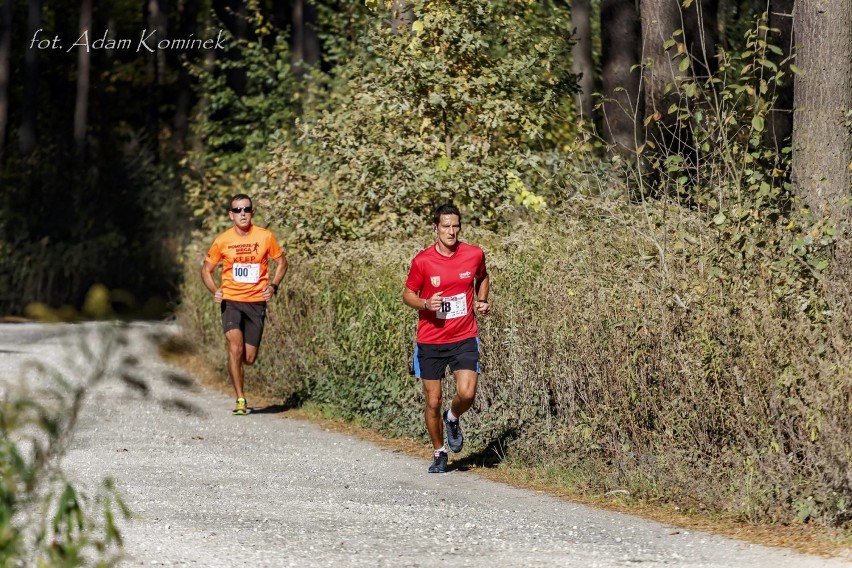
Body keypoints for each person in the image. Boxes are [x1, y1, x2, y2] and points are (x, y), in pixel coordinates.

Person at [402, 203, 490, 473]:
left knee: (467, 392)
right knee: (432, 401)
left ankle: (452, 418)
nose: (451, 232)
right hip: (430, 340)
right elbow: (407, 295)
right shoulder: (423, 261)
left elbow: (483, 277)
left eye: (455, 226)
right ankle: (439, 452)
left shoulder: (473, 254)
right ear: (435, 228)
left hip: (464, 335)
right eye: (446, 226)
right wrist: (427, 304)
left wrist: (483, 300)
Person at [201, 194, 287, 415]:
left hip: (256, 302)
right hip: (231, 300)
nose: (242, 214)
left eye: (246, 209)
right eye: (237, 210)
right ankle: (240, 398)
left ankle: (241, 381)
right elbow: (206, 270)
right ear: (231, 215)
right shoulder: (223, 240)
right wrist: (216, 291)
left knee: (248, 358)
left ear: (252, 212)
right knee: (234, 348)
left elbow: (282, 263)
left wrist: (273, 286)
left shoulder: (265, 237)